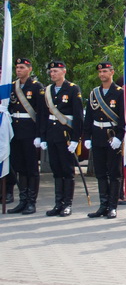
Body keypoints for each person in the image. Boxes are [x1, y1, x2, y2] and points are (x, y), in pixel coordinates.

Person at [40, 60, 84, 217]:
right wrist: (43, 137)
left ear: (63, 72)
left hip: (66, 135)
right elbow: (44, 115)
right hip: (52, 134)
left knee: (67, 170)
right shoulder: (47, 90)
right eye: (51, 72)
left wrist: (75, 139)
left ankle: (67, 204)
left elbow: (78, 116)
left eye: (56, 71)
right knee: (56, 170)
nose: (53, 74)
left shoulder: (72, 89)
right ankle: (58, 203)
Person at [83, 62, 125, 219]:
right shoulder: (94, 93)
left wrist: (119, 137)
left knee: (114, 173)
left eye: (105, 71)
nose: (102, 74)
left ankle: (113, 206)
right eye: (100, 71)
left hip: (112, 135)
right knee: (100, 173)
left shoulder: (119, 93)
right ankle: (103, 205)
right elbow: (89, 117)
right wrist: (86, 137)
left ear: (112, 72)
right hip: (97, 135)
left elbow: (123, 118)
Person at [7, 58, 45, 215]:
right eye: (17, 67)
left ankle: (31, 202)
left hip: (29, 131)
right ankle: (22, 200)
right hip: (15, 132)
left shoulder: (36, 87)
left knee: (31, 168)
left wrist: (39, 135)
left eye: (22, 67)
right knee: (19, 167)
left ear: (29, 69)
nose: (18, 70)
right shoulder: (12, 86)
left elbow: (42, 113)